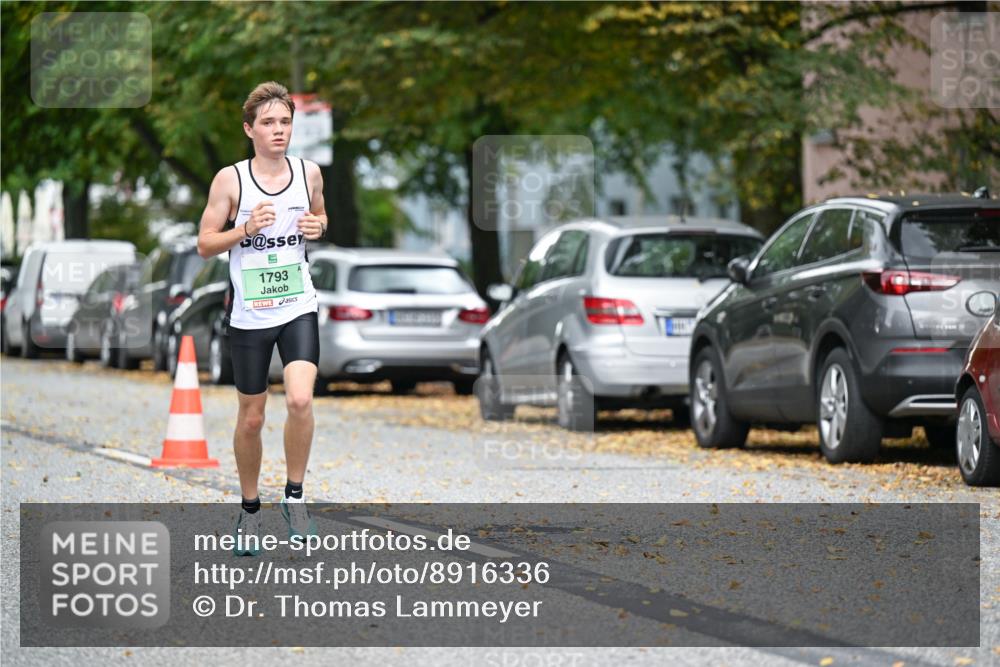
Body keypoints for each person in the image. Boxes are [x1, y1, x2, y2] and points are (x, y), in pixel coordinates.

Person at [197, 81, 327, 555]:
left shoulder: (308, 172)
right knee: (251, 419)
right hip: (250, 314)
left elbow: (320, 216)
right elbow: (205, 242)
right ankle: (250, 508)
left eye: (285, 122)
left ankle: (294, 497)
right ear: (249, 129)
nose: (279, 131)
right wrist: (246, 228)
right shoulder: (230, 180)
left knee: (298, 400)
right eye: (268, 123)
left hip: (297, 305)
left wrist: (318, 225)